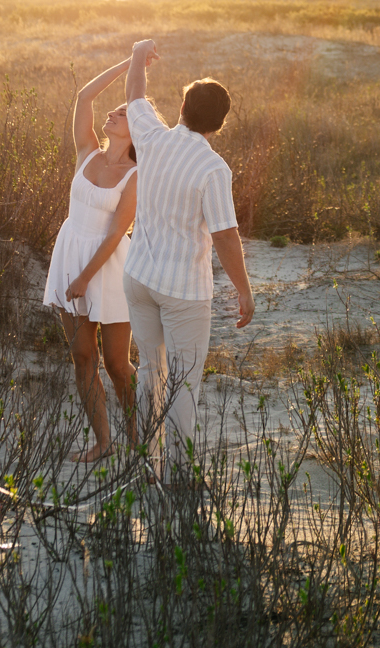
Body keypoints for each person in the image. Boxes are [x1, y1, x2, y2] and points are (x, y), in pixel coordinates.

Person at [119, 38, 254, 482]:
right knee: (183, 387)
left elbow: (134, 96)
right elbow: (225, 236)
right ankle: (177, 480)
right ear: (220, 124)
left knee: (150, 377)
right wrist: (244, 290)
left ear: (181, 107)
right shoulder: (213, 168)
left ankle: (145, 468)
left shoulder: (153, 137)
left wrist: (139, 55)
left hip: (138, 277)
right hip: (182, 293)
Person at [41, 58, 140, 463]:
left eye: (123, 113)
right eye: (113, 110)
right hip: (70, 253)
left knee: (117, 363)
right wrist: (130, 61)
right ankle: (102, 443)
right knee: (83, 355)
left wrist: (85, 277)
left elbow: (117, 232)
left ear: (137, 132)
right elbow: (84, 96)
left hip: (109, 268)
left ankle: (140, 441)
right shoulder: (86, 152)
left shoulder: (135, 175)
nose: (113, 114)